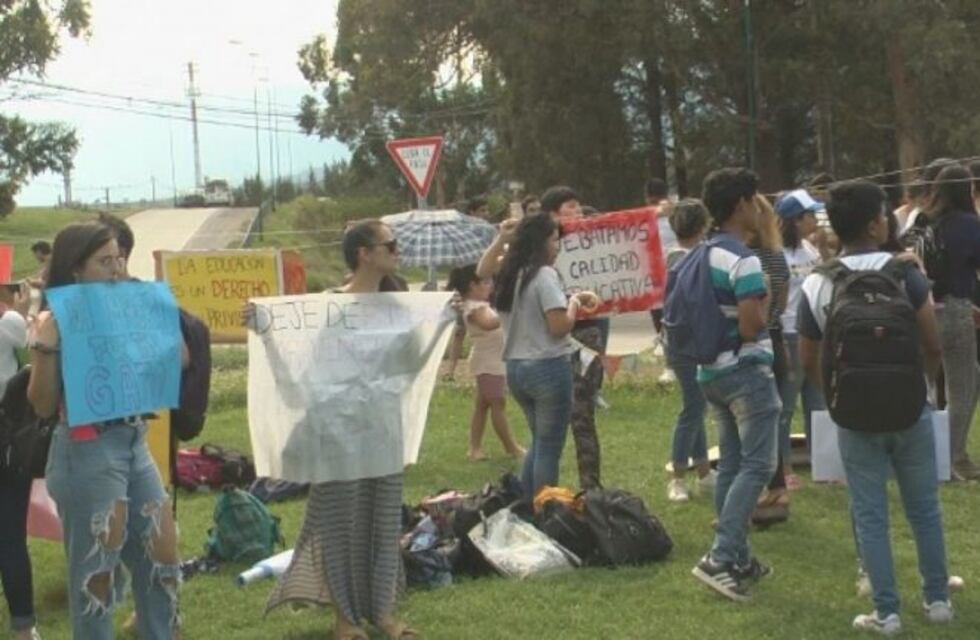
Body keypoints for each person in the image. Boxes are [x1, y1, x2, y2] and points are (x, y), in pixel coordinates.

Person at [797, 180, 951, 635]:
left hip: (855, 414)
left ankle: (887, 612)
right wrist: (921, 387)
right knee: (924, 508)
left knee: (870, 513)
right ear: (873, 224)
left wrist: (834, 395)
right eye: (883, 214)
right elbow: (933, 344)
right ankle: (938, 600)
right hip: (910, 406)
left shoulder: (818, 283)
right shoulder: (905, 274)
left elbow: (807, 358)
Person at [264, 220, 421, 640]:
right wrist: (266, 331)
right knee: (337, 522)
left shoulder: (397, 309)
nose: (397, 251)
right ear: (363, 254)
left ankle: (383, 613)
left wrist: (442, 319)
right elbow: (304, 365)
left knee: (383, 521)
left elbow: (412, 367)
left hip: (382, 430)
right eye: (389, 245)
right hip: (336, 432)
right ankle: (345, 619)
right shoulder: (328, 307)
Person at [26, 222, 182, 639]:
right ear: (76, 269)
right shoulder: (54, 320)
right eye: (104, 261)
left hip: (133, 440)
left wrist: (159, 321)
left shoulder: (129, 309)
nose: (117, 269)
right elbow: (41, 404)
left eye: (119, 259)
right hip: (86, 450)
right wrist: (46, 345)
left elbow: (179, 360)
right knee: (97, 576)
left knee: (162, 558)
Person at [689, 168, 779, 603]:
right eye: (755, 199)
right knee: (758, 466)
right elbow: (751, 325)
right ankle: (722, 556)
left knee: (732, 462)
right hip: (745, 370)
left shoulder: (701, 253)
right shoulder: (744, 259)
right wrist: (765, 304)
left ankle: (739, 558)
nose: (760, 208)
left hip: (710, 371)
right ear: (741, 204)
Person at [487, 212, 597, 497]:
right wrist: (575, 303)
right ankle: (545, 508)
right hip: (547, 367)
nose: (557, 247)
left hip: (516, 369)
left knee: (539, 441)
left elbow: (482, 269)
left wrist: (500, 240)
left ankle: (527, 503)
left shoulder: (510, 274)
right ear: (539, 242)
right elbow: (559, 327)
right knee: (549, 448)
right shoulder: (544, 274)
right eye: (554, 240)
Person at [540, 186, 607, 489]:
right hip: (555, 340)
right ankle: (544, 490)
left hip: (587, 334)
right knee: (550, 422)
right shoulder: (541, 256)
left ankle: (590, 487)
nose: (578, 212)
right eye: (570, 206)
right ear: (552, 214)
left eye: (579, 206)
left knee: (582, 415)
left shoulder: (590, 241)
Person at [923, 164, 980, 480]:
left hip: (924, 309)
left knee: (930, 383)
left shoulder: (925, 222)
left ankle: (935, 450)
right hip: (956, 309)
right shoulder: (969, 224)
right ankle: (952, 456)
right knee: (963, 386)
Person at [663, 199, 715, 502]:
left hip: (679, 341)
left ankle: (705, 473)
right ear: (703, 225)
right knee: (693, 408)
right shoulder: (699, 257)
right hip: (690, 342)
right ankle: (678, 477)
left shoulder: (672, 255)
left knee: (696, 405)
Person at [774, 189, 826, 488]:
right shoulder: (776, 253)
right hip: (789, 333)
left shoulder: (810, 249)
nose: (815, 220)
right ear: (795, 220)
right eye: (810, 215)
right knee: (785, 405)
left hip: (813, 333)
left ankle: (823, 461)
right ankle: (784, 468)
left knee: (817, 402)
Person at [446, 264, 524, 461]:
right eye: (486, 282)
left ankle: (474, 448)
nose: (491, 285)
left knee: (482, 405)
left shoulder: (483, 305)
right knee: (498, 402)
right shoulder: (474, 308)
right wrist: (508, 315)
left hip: (493, 360)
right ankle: (511, 447)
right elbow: (488, 324)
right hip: (488, 363)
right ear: (473, 286)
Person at [746, 195, 792, 523]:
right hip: (775, 335)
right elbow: (784, 301)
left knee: (751, 421)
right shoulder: (776, 256)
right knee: (773, 416)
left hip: (752, 339)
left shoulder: (743, 258)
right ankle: (778, 485)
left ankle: (757, 488)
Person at [0, 284, 37, 640]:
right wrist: (22, 311)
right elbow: (33, 348)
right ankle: (24, 628)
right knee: (10, 535)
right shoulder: (9, 321)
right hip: (8, 440)